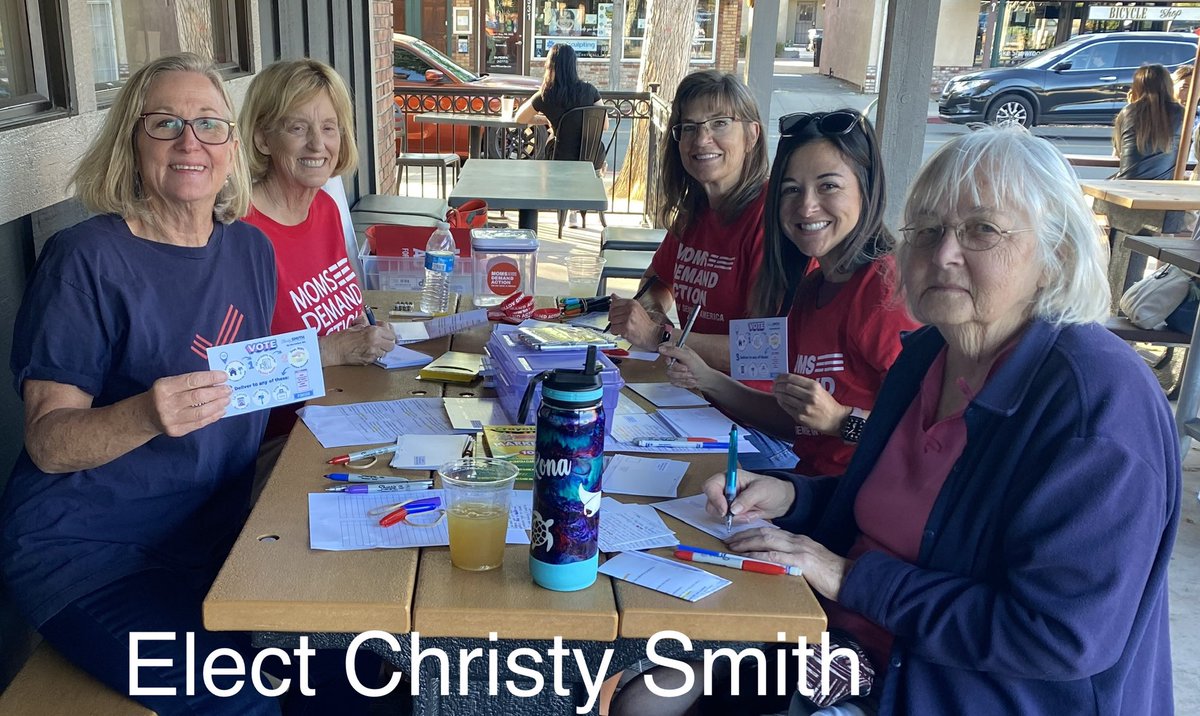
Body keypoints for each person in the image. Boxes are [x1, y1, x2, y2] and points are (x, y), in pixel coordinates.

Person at [626, 126, 1181, 715]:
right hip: (850, 647)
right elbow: (900, 507)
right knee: (645, 698)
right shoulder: (927, 354)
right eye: (930, 230)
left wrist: (847, 576)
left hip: (957, 686)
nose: (944, 254)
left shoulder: (1097, 402)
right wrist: (792, 497)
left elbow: (1058, 635)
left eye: (982, 230)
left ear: (1057, 253)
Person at [0, 54, 280, 714]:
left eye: (209, 124)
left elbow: (252, 385)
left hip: (210, 537)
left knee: (345, 667)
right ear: (132, 141)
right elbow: (47, 443)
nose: (191, 142)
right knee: (238, 700)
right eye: (165, 124)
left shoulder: (251, 252)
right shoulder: (88, 260)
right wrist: (146, 416)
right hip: (88, 556)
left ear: (232, 145)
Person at [660, 110, 918, 477]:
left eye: (828, 186)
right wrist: (708, 379)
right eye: (791, 190)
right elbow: (793, 420)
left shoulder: (885, 290)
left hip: (858, 503)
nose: (807, 206)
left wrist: (841, 421)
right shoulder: (812, 285)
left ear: (867, 188)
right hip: (804, 483)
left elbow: (928, 437)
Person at [239, 59, 396, 440]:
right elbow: (232, 378)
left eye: (329, 128)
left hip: (344, 410)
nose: (317, 144)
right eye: (298, 128)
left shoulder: (323, 208)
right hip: (281, 444)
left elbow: (347, 315)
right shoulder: (238, 232)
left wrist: (362, 332)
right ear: (262, 138)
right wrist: (332, 350)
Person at [608, 70, 769, 372]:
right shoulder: (695, 211)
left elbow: (766, 352)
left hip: (747, 408)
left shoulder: (772, 218)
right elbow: (655, 283)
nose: (702, 140)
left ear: (752, 135)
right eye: (690, 127)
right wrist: (655, 317)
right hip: (688, 390)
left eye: (719, 123)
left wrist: (660, 336)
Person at [515, 43, 602, 228]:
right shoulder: (589, 90)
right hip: (590, 156)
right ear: (573, 65)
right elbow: (605, 123)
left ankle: (566, 207)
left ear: (551, 66)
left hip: (560, 155)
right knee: (588, 156)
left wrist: (547, 121)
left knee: (553, 141)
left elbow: (520, 118)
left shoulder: (547, 95)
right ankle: (579, 203)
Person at [1113, 63, 1184, 181]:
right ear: (1168, 86)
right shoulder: (1181, 113)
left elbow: (1119, 152)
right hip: (1164, 187)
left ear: (1137, 87)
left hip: (1127, 183)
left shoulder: (1128, 112)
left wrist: (1131, 104)